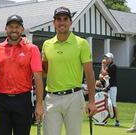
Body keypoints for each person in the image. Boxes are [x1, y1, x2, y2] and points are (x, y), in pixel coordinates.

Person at [42, 7, 97, 135]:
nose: (62, 22)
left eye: (65, 19)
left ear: (71, 22)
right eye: (58, 19)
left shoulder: (81, 43)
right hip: (51, 98)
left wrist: (92, 101)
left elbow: (89, 74)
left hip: (74, 97)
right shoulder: (47, 44)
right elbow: (45, 71)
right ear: (54, 22)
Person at [0, 15, 44, 135]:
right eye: (11, 27)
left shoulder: (32, 49)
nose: (14, 30)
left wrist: (39, 104)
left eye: (17, 27)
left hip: (22, 100)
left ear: (22, 29)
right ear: (6, 29)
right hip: (1, 101)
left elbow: (38, 78)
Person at [101, 52, 120, 126]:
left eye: (107, 58)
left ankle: (117, 121)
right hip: (107, 87)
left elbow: (104, 73)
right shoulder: (107, 66)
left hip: (112, 87)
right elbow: (101, 75)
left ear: (111, 59)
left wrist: (102, 65)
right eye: (105, 57)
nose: (105, 59)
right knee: (106, 104)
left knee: (113, 104)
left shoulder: (113, 65)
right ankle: (105, 120)